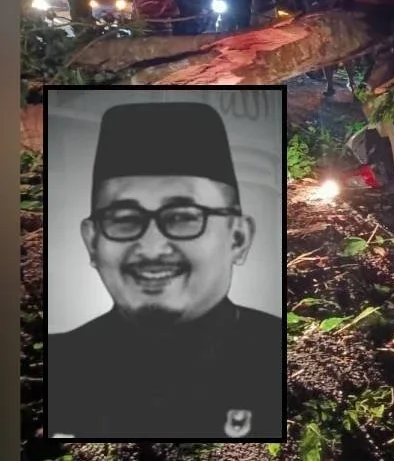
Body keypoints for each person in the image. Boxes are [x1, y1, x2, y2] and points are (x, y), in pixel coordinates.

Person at [47, 101, 283, 439]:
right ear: (92, 242)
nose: (152, 247)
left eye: (184, 217)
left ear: (238, 237)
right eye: (125, 220)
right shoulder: (54, 370)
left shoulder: (285, 361)